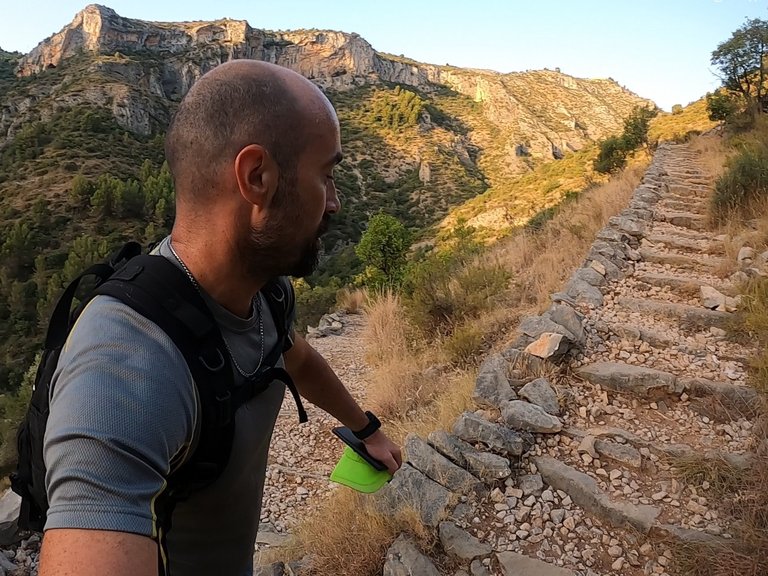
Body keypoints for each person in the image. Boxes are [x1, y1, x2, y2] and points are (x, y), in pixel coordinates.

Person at [38, 59, 403, 576]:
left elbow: (295, 356)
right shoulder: (123, 366)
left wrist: (366, 429)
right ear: (258, 178)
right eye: (326, 175)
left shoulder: (264, 291)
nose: (336, 203)